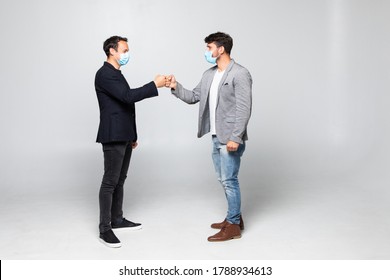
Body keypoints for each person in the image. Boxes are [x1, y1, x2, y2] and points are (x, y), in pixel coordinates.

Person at [166, 32, 252, 242]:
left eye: (209, 47)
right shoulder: (208, 74)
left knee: (229, 180)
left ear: (221, 49)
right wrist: (175, 86)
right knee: (223, 179)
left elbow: (244, 108)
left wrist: (236, 137)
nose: (207, 51)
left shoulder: (240, 74)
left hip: (230, 138)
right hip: (215, 136)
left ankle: (232, 226)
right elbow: (194, 96)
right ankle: (234, 217)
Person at [95, 35, 166, 248]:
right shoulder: (104, 74)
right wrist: (155, 85)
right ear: (111, 51)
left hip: (124, 134)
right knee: (110, 181)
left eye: (127, 50)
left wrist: (132, 135)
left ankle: (117, 219)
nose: (127, 54)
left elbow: (126, 108)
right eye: (124, 50)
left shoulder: (116, 73)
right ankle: (104, 229)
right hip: (113, 135)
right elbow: (128, 97)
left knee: (120, 179)